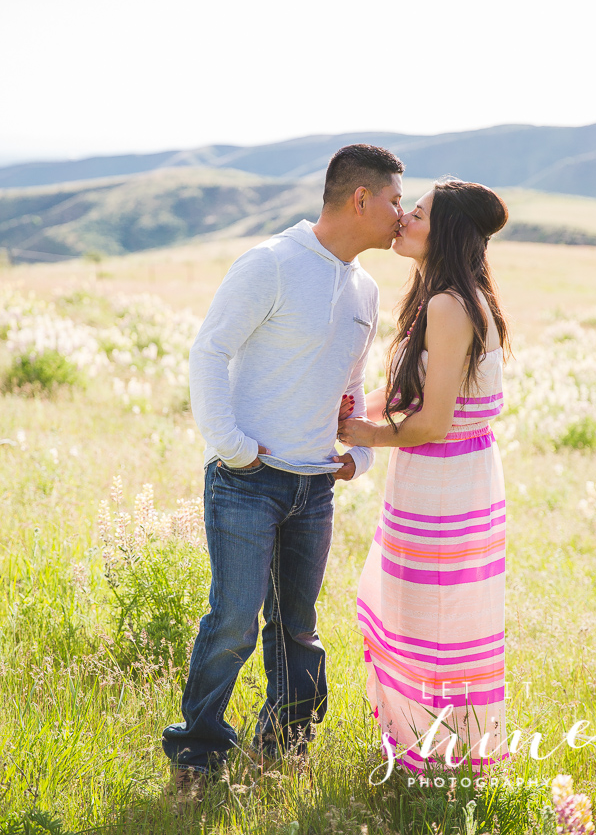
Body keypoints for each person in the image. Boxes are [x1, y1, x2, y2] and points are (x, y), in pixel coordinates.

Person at [162, 143, 405, 800]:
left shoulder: (366, 288)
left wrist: (361, 452)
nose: (401, 215)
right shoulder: (270, 262)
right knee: (235, 621)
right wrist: (231, 444)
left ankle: (283, 748)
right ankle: (198, 755)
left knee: (298, 629)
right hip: (247, 478)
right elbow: (210, 349)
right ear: (360, 198)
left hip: (315, 485)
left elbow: (351, 382)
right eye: (394, 200)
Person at [338, 177, 511, 773]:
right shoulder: (449, 295)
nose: (404, 220)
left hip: (443, 486)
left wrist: (365, 435)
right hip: (451, 482)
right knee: (427, 617)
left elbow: (433, 422)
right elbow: (419, 394)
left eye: (418, 213)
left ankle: (434, 760)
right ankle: (436, 752)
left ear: (449, 232)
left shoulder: (448, 305)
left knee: (425, 621)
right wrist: (365, 408)